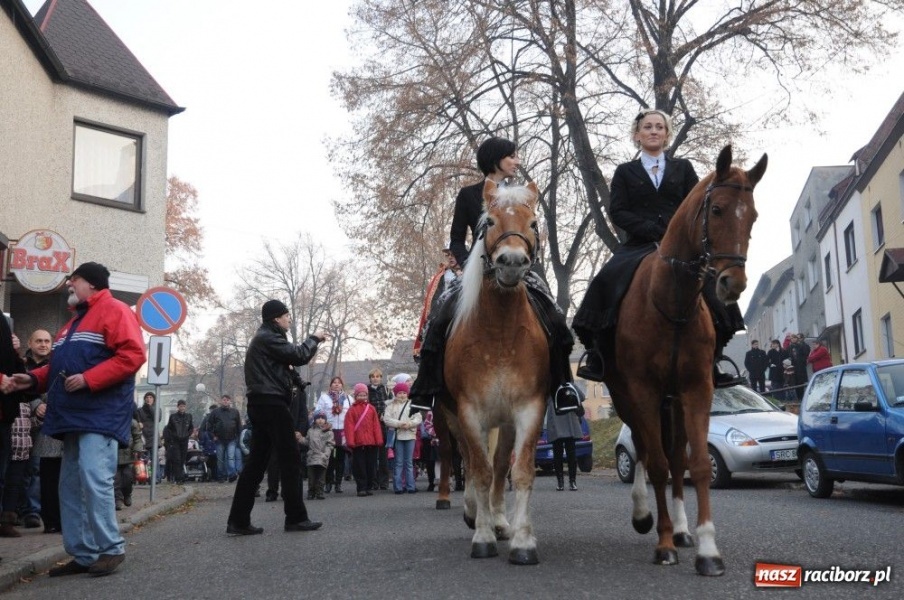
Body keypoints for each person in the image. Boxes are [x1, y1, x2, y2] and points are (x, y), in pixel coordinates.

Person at [572, 109, 745, 387]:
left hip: (682, 246)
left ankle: (715, 359)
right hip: (639, 244)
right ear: (637, 135)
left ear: (667, 135)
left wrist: (678, 233)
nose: (654, 131)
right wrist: (649, 229)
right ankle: (597, 355)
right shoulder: (624, 172)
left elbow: (697, 204)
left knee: (716, 284)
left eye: (659, 127)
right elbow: (617, 211)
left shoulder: (684, 168)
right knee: (606, 280)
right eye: (648, 127)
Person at [409, 136, 576, 412]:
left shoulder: (523, 195)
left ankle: (563, 386)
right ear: (495, 159)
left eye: (516, 156)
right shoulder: (468, 195)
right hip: (477, 270)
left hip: (518, 265)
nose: (516, 161)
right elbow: (455, 240)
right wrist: (464, 267)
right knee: (438, 318)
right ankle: (426, 389)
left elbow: (531, 235)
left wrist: (528, 259)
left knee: (555, 316)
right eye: (512, 156)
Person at [6, 262, 146, 577]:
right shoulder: (73, 323)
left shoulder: (116, 310)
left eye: (75, 280)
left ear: (91, 284)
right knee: (69, 486)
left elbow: (133, 355)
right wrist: (29, 380)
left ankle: (110, 549)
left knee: (95, 480)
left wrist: (88, 379)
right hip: (73, 416)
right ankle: (83, 554)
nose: (70, 285)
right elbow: (57, 368)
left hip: (100, 414)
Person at [225, 299, 327, 535]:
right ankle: (295, 518)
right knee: (290, 458)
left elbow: (286, 366)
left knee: (256, 463)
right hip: (271, 403)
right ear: (276, 318)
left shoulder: (265, 339)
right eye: (286, 315)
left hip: (261, 403)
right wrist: (315, 338)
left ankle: (238, 520)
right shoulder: (269, 338)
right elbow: (300, 355)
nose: (289, 318)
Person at [20, 329, 52, 530]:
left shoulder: (57, 365)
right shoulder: (21, 364)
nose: (43, 344)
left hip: (45, 425)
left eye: (47, 341)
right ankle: (13, 509)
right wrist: (35, 404)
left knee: (36, 468)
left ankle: (32, 511)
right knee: (16, 469)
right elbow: (19, 388)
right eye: (39, 340)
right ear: (30, 343)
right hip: (20, 423)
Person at [344, 383, 383, 497]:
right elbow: (349, 427)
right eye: (360, 395)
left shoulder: (371, 409)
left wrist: (378, 439)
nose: (362, 397)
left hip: (371, 442)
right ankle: (361, 487)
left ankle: (369, 486)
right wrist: (350, 441)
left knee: (371, 466)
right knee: (359, 466)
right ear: (356, 396)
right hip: (358, 443)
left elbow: (376, 425)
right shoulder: (351, 410)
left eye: (364, 395)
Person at [382, 381, 422, 494]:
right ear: (395, 393)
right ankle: (398, 486)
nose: (402, 395)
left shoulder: (412, 404)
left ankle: (411, 486)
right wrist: (400, 424)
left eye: (404, 392)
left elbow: (418, 418)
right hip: (398, 436)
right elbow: (387, 419)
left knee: (409, 462)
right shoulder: (390, 406)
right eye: (399, 392)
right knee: (398, 462)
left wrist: (409, 424)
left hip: (410, 435)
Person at [315, 376, 350, 493]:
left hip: (343, 431)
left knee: (340, 458)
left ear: (342, 385)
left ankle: (338, 483)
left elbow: (351, 415)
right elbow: (318, 412)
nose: (336, 384)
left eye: (339, 383)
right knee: (329, 458)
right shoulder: (324, 397)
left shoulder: (348, 398)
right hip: (329, 431)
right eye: (334, 383)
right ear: (330, 385)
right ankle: (328, 482)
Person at [544, 395, 584, 491]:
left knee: (558, 455)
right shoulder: (568, 384)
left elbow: (543, 401)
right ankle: (572, 482)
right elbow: (581, 396)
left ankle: (560, 482)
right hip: (569, 423)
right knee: (571, 455)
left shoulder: (550, 387)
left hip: (556, 423)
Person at [366, 368, 391, 491]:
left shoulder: (386, 390)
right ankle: (373, 481)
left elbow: (391, 406)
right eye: (373, 376)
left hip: (384, 427)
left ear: (381, 378)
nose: (375, 378)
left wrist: (385, 415)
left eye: (378, 376)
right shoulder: (366, 390)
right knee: (372, 456)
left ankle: (384, 482)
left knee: (383, 456)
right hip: (371, 427)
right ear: (370, 378)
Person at [114, 412, 143, 510]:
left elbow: (138, 438)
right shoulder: (111, 420)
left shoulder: (132, 422)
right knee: (116, 480)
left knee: (128, 478)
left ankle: (127, 494)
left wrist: (137, 449)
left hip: (129, 456)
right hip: (114, 456)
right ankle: (118, 500)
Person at [210, 395, 242, 482]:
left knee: (230, 457)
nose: (225, 401)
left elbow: (239, 426)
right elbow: (209, 425)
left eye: (227, 400)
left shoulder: (235, 412)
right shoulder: (215, 412)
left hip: (232, 439)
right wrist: (213, 436)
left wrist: (239, 438)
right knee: (220, 459)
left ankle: (231, 474)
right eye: (224, 400)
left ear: (230, 401)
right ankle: (221, 476)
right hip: (219, 439)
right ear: (221, 401)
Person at [306, 411, 334, 500]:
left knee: (321, 477)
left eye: (322, 418)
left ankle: (320, 492)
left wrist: (326, 454)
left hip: (322, 458)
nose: (320, 420)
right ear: (314, 419)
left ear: (325, 420)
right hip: (312, 457)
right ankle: (311, 492)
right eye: (318, 418)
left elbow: (330, 444)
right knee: (311, 477)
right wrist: (300, 439)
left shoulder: (329, 432)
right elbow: (307, 441)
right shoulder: (310, 430)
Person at [164, 400, 193, 484]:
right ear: (178, 407)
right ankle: (178, 478)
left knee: (183, 459)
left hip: (184, 440)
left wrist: (188, 434)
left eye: (183, 406)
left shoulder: (188, 416)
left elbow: (191, 427)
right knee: (177, 459)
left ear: (185, 407)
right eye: (180, 406)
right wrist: (172, 437)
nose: (182, 408)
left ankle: (180, 475)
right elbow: (169, 428)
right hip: (175, 441)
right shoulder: (173, 416)